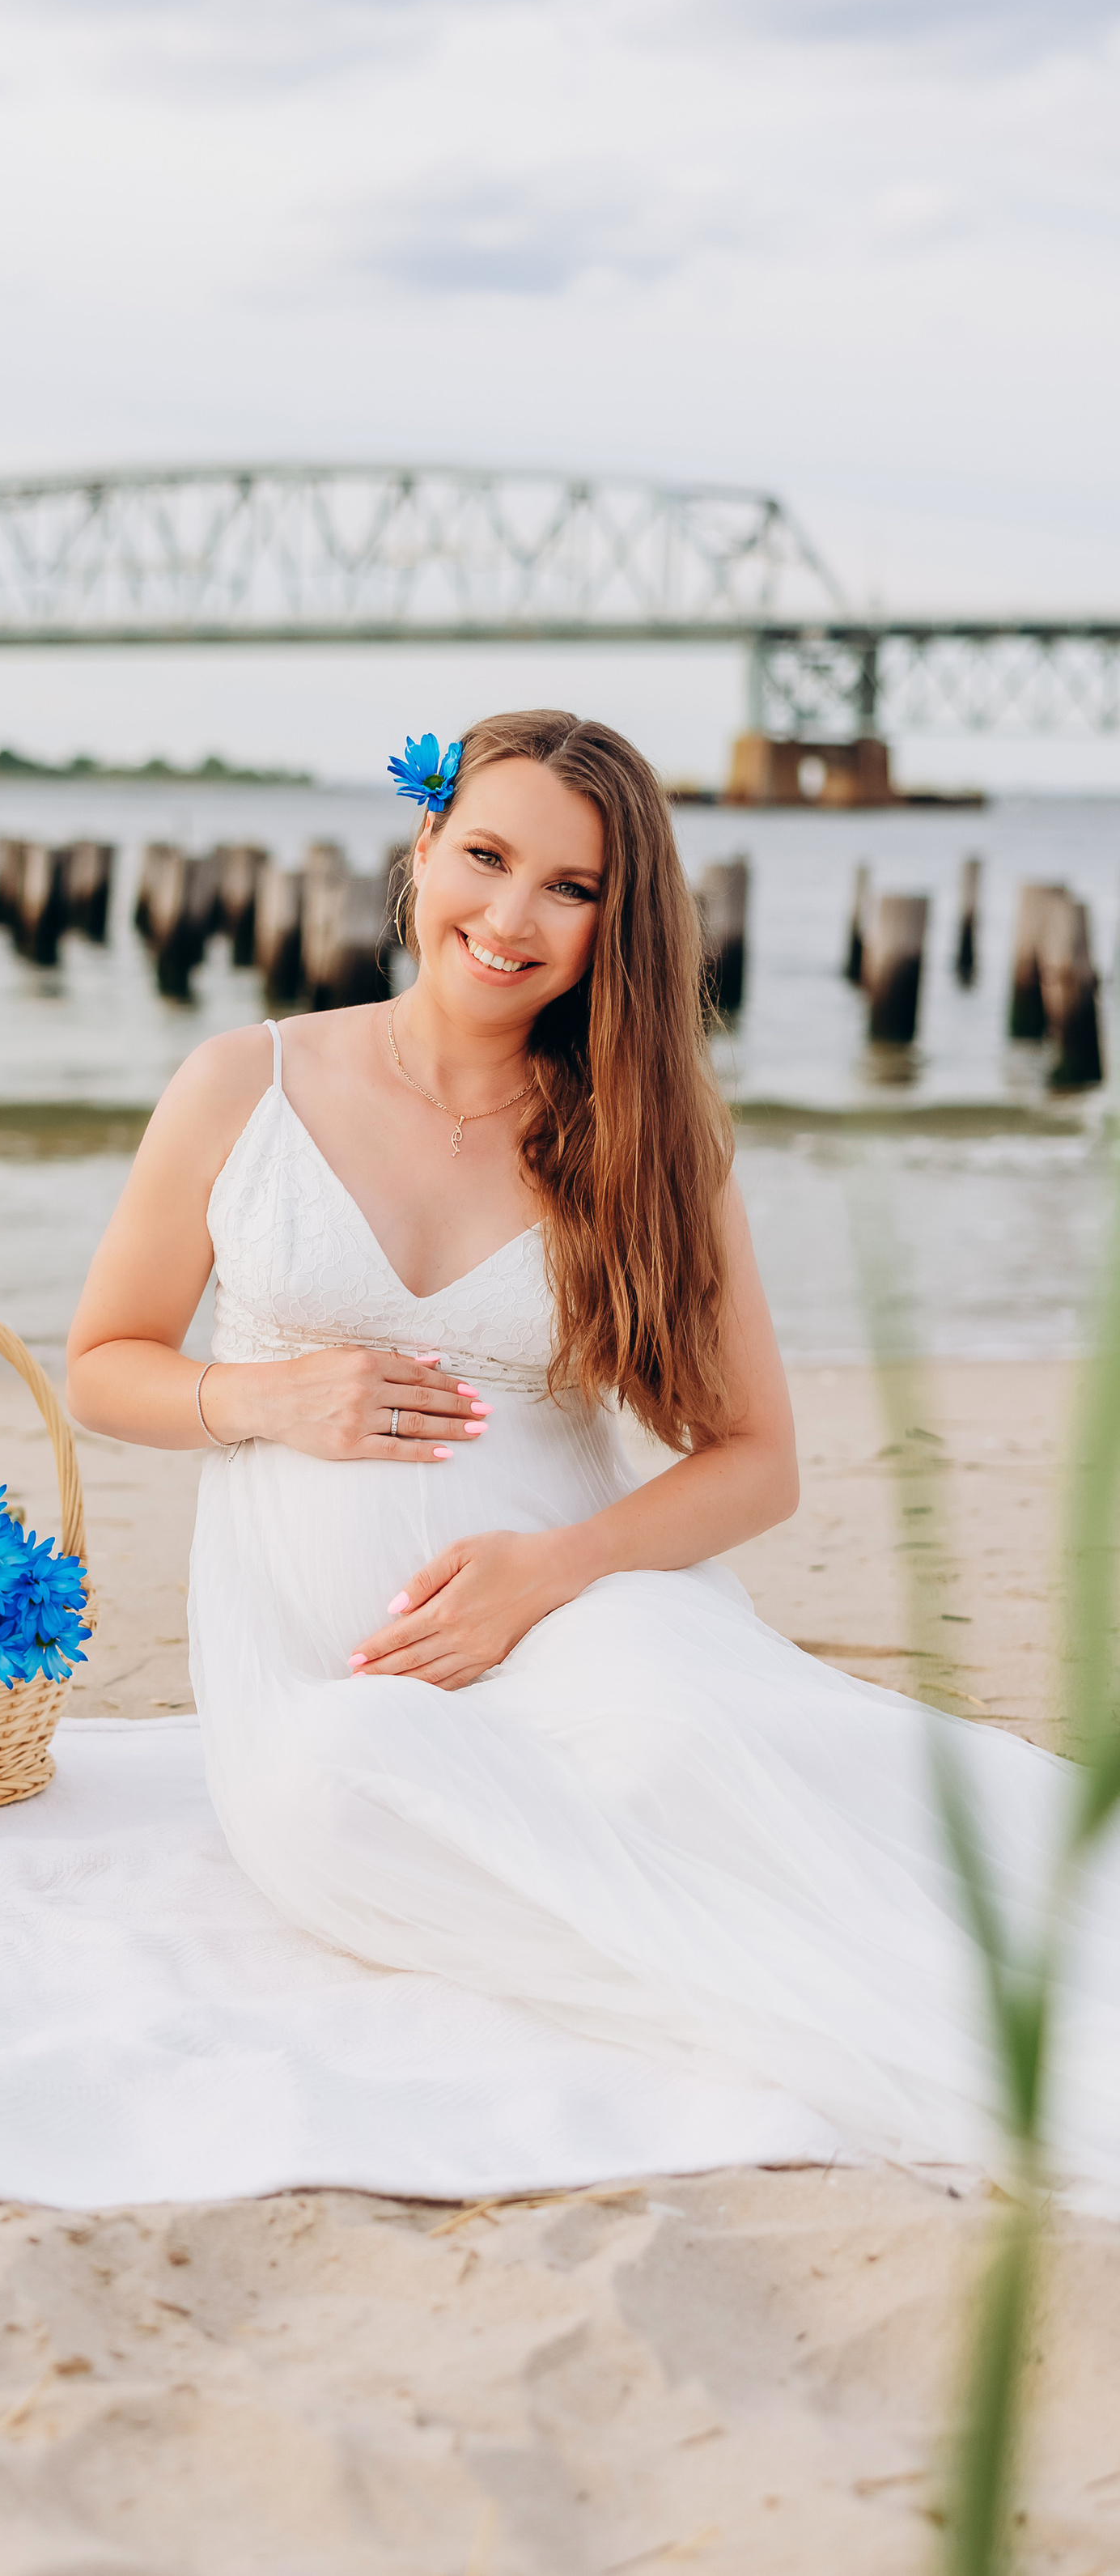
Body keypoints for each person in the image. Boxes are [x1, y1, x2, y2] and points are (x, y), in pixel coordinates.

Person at [67, 709, 1120, 2198]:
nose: (511, 917)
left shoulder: (641, 1134)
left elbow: (757, 1460)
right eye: (486, 857)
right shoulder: (248, 1083)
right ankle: (825, 2002)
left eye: (572, 888)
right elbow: (105, 1364)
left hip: (575, 1597)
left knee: (688, 1749)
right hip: (322, 1656)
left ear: (618, 926)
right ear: (421, 848)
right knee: (338, 1796)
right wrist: (265, 1397)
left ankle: (978, 1995)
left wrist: (549, 1575)